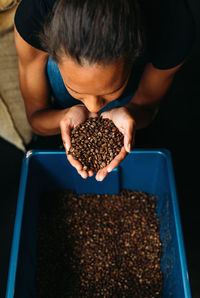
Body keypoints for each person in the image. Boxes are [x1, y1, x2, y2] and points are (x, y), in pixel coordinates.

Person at [14, 0, 195, 181]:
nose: (93, 108)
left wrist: (129, 112)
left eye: (110, 91)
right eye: (77, 91)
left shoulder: (174, 26)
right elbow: (36, 116)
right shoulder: (35, 14)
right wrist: (64, 118)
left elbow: (147, 107)